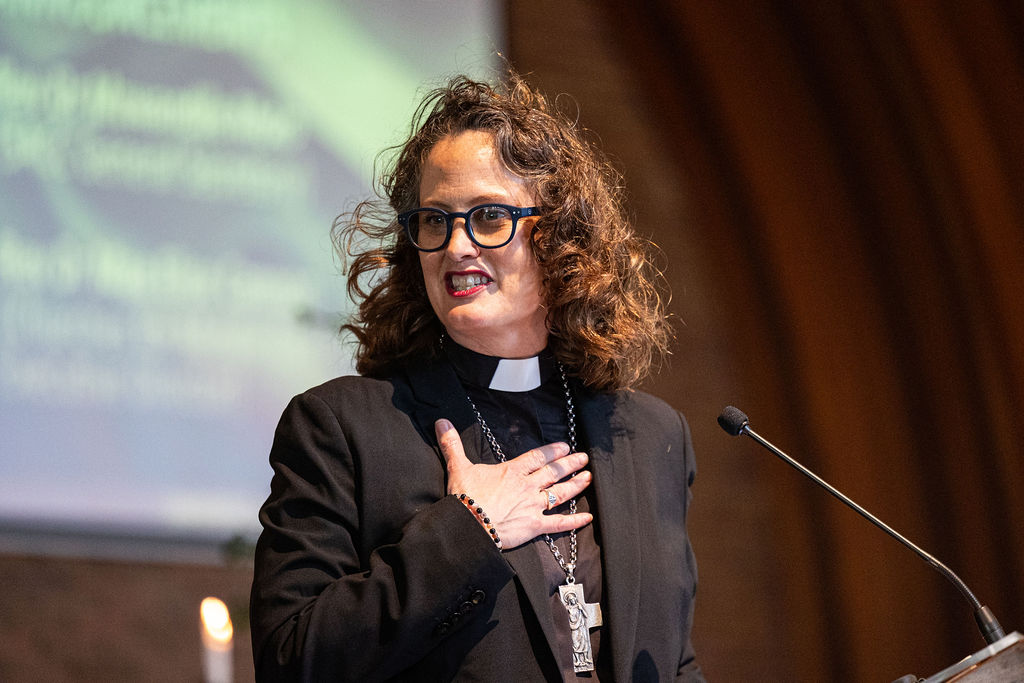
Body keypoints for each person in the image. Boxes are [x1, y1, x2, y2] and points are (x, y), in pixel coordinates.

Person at [250, 73, 703, 682]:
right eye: (434, 221)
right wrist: (469, 530)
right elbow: (292, 659)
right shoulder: (344, 429)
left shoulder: (648, 436)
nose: (457, 246)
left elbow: (673, 660)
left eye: (489, 217)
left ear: (561, 236)